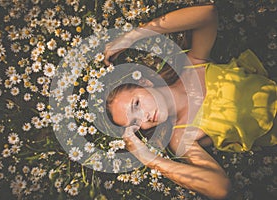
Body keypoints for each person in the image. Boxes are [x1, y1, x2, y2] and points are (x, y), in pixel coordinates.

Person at [103, 4, 276, 200]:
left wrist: (131, 37)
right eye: (135, 122)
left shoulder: (192, 66)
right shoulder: (180, 137)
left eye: (136, 104)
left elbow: (207, 14)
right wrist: (149, 159)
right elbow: (220, 188)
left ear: (145, 82)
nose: (144, 117)